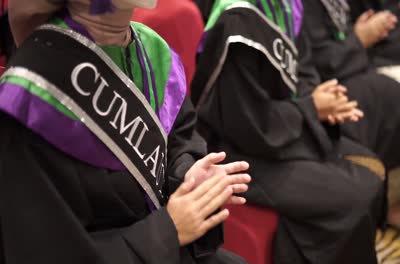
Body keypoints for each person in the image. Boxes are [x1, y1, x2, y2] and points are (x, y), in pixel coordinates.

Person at [0, 0, 251, 263]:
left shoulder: (152, 50)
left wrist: (185, 174)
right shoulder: (31, 97)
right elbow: (43, 250)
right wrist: (167, 231)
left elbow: (180, 138)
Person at [192, 0, 386, 263]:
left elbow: (303, 70)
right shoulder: (237, 22)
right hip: (241, 154)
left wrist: (322, 100)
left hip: (284, 130)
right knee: (353, 197)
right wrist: (311, 108)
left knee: (371, 168)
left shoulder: (287, 6)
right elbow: (247, 123)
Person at [298, 0, 400, 233]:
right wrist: (359, 38)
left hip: (352, 60)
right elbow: (315, 62)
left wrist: (365, 29)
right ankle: (391, 200)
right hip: (328, 79)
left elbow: (344, 24)